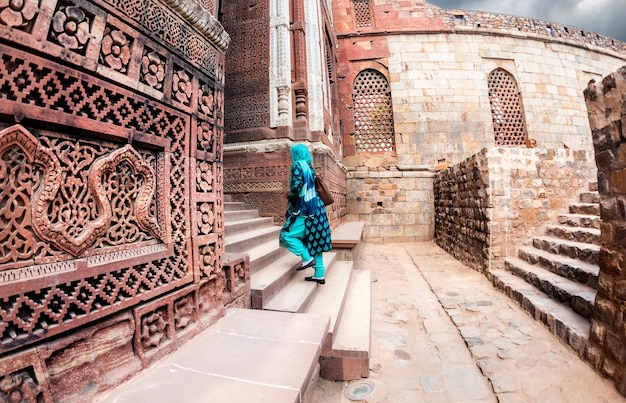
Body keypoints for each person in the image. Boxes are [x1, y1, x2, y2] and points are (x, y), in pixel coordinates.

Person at [279, 143, 332, 284]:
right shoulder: (309, 167)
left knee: (286, 236)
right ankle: (319, 273)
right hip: (317, 209)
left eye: (292, 153)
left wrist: (288, 193)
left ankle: (307, 258)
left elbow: (296, 187)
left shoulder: (297, 165)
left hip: (306, 210)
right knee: (314, 240)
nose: (291, 156)